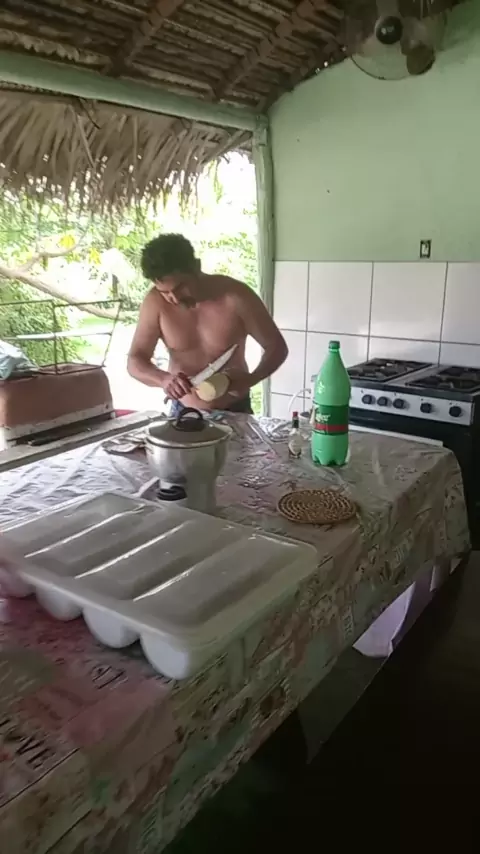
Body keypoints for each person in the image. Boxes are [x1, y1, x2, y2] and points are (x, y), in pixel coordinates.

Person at [127, 233, 288, 414]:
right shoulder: (155, 303)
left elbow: (277, 347)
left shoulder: (236, 296)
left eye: (180, 287)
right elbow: (135, 360)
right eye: (165, 292)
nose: (175, 298)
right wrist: (163, 379)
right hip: (184, 411)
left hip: (236, 409)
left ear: (197, 267)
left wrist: (251, 379)